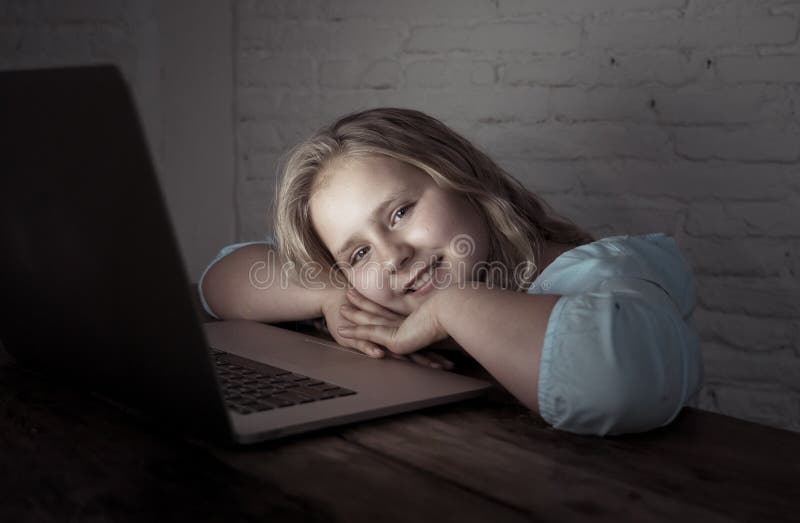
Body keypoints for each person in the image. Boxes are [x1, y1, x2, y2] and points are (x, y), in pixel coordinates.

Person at [199, 108, 703, 436]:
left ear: (462, 179)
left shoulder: (594, 274)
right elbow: (221, 280)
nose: (392, 256)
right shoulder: (367, 290)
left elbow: (612, 383)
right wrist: (332, 297)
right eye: (357, 254)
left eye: (399, 213)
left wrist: (451, 307)